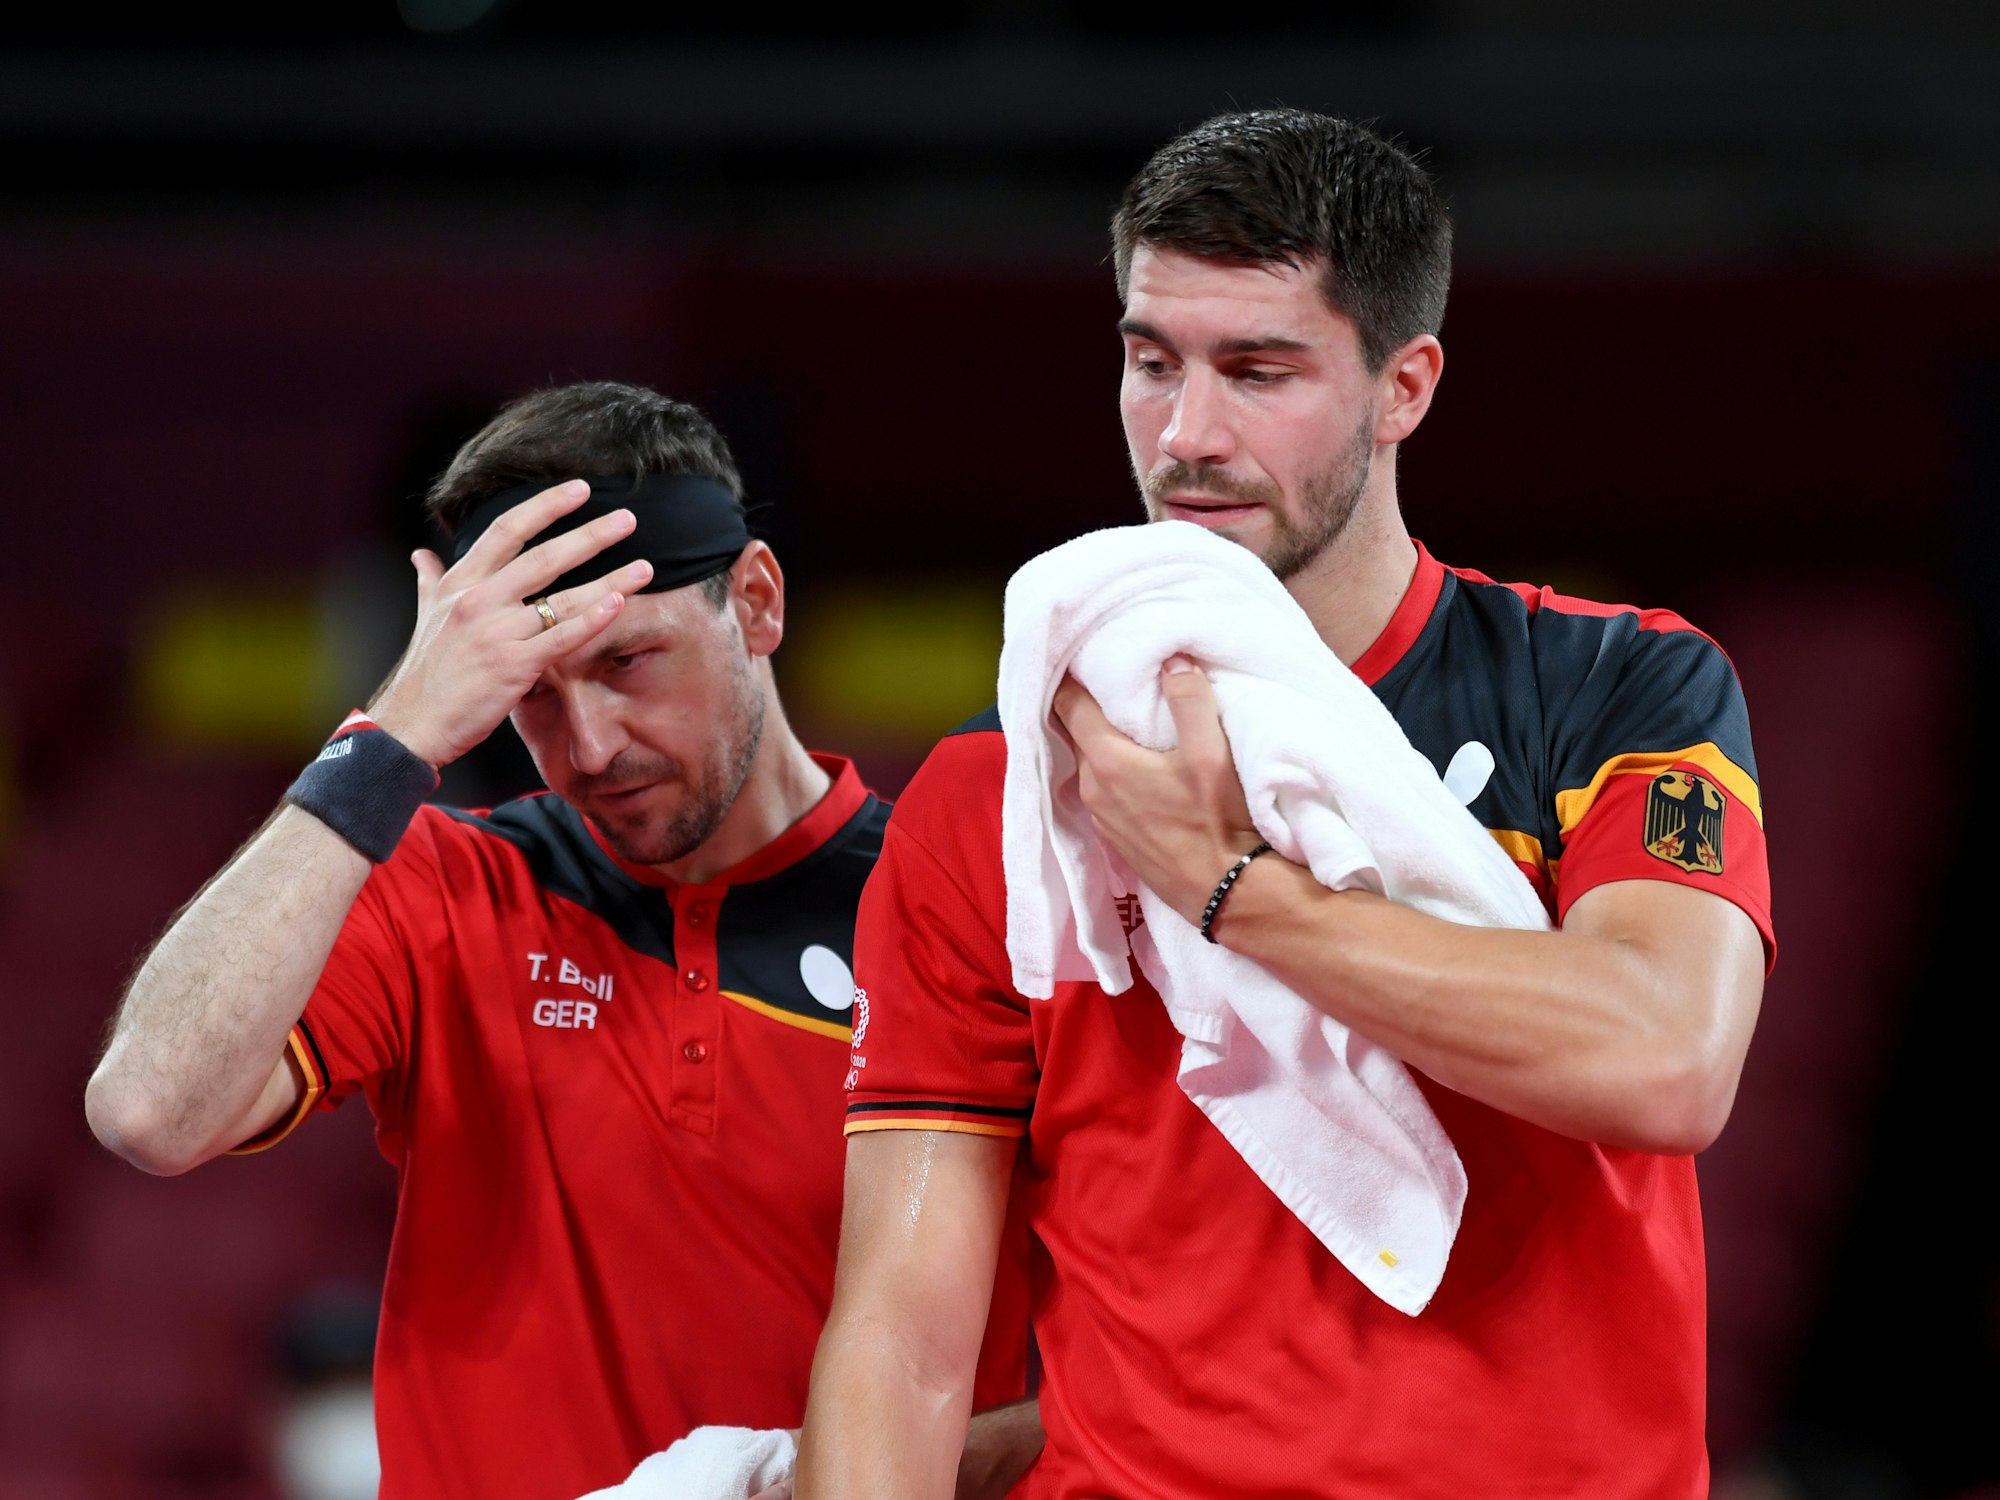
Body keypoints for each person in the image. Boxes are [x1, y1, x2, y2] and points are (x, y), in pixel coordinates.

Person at [795, 110, 1774, 1499]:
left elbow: (1665, 1058)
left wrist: (1235, 891)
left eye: (1259, 371)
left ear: (1404, 386)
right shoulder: (997, 792)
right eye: (1150, 362)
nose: (1187, 435)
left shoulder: (1619, 689)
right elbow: (901, 1332)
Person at [86, 381, 1038, 1500]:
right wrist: (390, 735)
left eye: (628, 663)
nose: (587, 746)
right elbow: (150, 1106)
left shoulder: (965, 908)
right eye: (531, 693)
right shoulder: (447, 887)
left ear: (759, 602)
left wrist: (798, 1482)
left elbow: (1113, 1381)